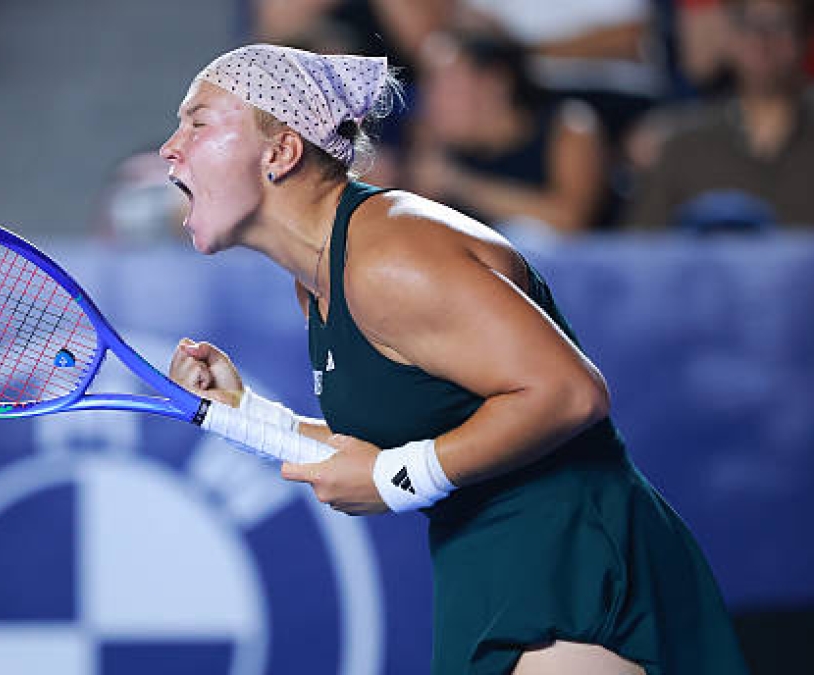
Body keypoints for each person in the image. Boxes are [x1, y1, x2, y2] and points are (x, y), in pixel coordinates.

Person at [160, 44, 748, 674]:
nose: (170, 148)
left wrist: (397, 480)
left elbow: (568, 393)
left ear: (281, 152)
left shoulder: (389, 256)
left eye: (197, 122)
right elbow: (384, 451)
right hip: (499, 571)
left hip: (573, 574)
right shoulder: (320, 282)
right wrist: (244, 414)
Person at [624, 0, 814, 229]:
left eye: (780, 25)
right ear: (729, 33)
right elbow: (640, 250)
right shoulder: (684, 149)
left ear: (804, 34)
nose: (761, 40)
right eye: (746, 23)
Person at [408, 30, 608, 234]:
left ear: (495, 83)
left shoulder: (569, 125)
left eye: (446, 86)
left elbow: (569, 220)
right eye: (427, 87)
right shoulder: (438, 147)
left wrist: (460, 185)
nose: (431, 103)